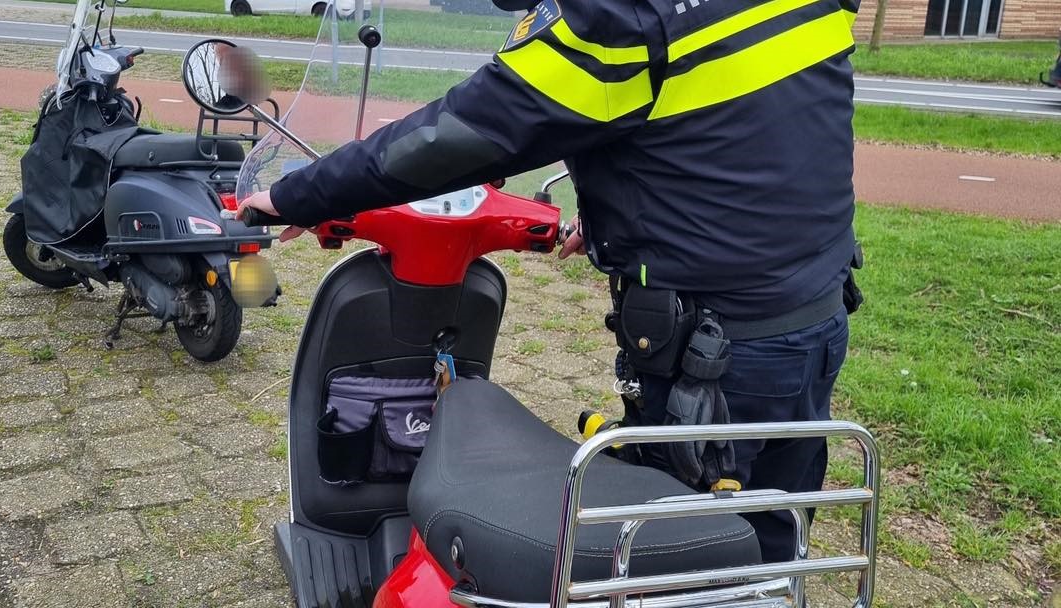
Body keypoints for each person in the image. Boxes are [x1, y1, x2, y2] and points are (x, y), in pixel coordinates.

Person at [239, 0, 860, 563]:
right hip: (815, 317)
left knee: (680, 552)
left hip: (719, 358)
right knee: (773, 531)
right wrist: (629, 209)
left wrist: (300, 194)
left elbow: (454, 136)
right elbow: (744, 118)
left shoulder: (620, 18)